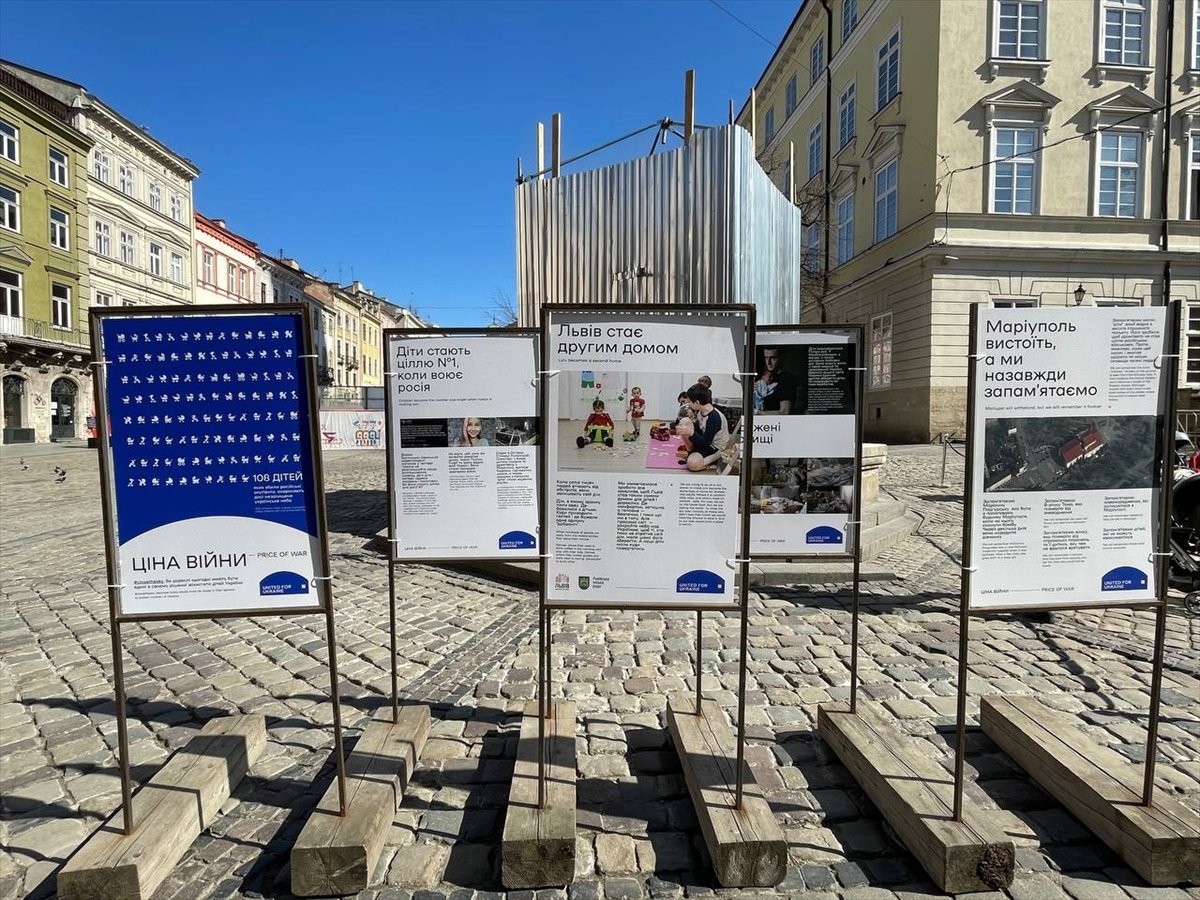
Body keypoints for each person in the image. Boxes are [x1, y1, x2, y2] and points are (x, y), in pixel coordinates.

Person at [684, 384, 732, 472]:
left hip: (715, 447)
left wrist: (691, 433)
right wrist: (694, 423)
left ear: (697, 402)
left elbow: (706, 443)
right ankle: (692, 452)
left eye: (690, 401)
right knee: (685, 422)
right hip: (705, 443)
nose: (689, 404)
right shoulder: (701, 412)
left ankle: (711, 463)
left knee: (692, 464)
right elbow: (700, 432)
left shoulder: (714, 417)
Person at [754, 347, 795, 415]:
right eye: (766, 358)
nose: (768, 362)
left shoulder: (787, 380)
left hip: (776, 423)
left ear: (781, 358)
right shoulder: (760, 376)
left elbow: (785, 412)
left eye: (773, 358)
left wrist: (756, 412)